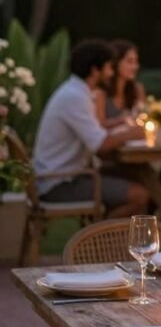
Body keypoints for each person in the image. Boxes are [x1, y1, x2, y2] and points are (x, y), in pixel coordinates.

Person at [33, 39, 149, 217]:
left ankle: (110, 238)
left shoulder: (76, 92)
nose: (111, 73)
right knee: (139, 195)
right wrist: (132, 133)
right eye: (109, 67)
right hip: (58, 183)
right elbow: (100, 144)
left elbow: (97, 134)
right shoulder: (74, 97)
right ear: (95, 70)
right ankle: (100, 240)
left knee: (138, 179)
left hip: (67, 174)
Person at [95, 39, 145, 128]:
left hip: (133, 140)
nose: (135, 66)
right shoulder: (101, 92)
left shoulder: (137, 89)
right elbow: (99, 125)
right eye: (130, 61)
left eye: (136, 61)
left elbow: (142, 118)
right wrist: (122, 120)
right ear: (116, 62)